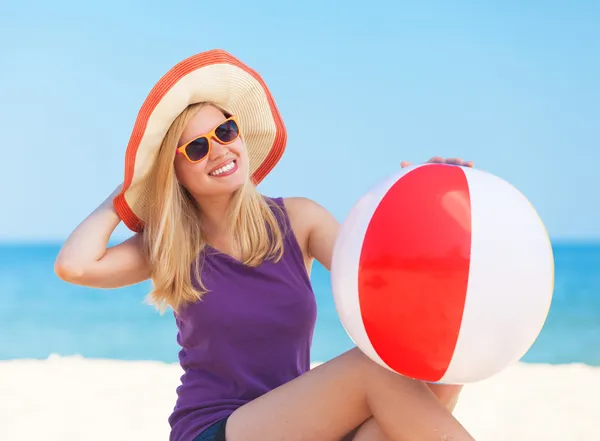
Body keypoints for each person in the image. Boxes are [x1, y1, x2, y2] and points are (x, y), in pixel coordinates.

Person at [54, 49, 476, 441]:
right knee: (373, 373)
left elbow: (379, 274)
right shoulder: (168, 247)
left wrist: (423, 195)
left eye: (225, 130)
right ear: (176, 172)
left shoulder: (300, 219)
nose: (218, 150)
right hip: (217, 428)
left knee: (438, 378)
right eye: (197, 147)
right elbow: (74, 266)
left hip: (299, 426)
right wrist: (131, 186)